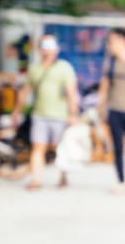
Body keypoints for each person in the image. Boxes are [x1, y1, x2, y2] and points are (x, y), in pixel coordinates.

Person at [13, 34, 80, 191]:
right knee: (38, 147)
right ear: (39, 49)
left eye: (50, 46)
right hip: (39, 114)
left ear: (56, 49)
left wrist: (73, 114)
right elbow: (25, 92)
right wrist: (17, 111)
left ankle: (63, 176)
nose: (47, 50)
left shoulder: (64, 68)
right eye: (44, 46)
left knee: (60, 148)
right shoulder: (34, 69)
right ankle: (37, 179)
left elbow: (71, 92)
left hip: (60, 115)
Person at [97, 28, 125, 193]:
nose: (109, 45)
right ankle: (120, 181)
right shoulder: (111, 62)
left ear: (121, 40)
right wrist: (101, 107)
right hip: (115, 110)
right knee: (117, 148)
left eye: (111, 41)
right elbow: (104, 86)